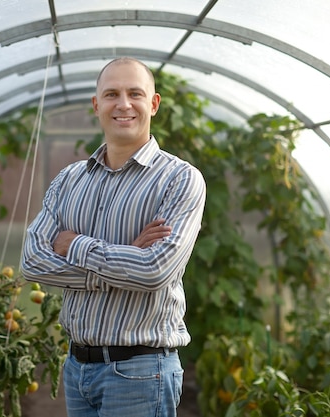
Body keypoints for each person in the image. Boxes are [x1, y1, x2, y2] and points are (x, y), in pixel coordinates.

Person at [20, 57, 206, 417]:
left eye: (135, 93)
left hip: (140, 372)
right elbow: (32, 261)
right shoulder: (69, 180)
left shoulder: (179, 180)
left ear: (153, 104)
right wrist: (125, 257)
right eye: (111, 94)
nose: (123, 104)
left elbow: (154, 271)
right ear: (97, 105)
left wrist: (74, 245)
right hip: (76, 370)